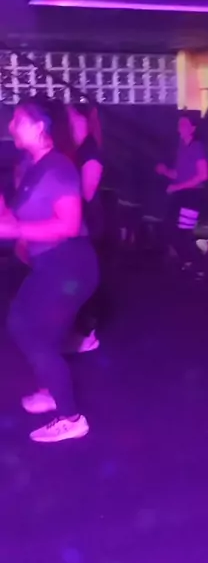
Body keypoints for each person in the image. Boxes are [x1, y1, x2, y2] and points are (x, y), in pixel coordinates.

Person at [0, 100, 98, 443]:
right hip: (53, 264)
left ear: (39, 127)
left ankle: (71, 418)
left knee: (27, 328)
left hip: (69, 264)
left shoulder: (58, 167)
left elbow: (69, 225)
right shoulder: (34, 167)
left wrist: (15, 230)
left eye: (18, 120)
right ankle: (51, 390)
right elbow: (13, 221)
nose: (11, 126)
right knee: (40, 330)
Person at [67, 102, 104, 352]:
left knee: (84, 278)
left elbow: (87, 193)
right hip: (81, 223)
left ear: (82, 121)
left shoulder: (90, 150)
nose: (70, 123)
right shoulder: (78, 149)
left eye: (73, 118)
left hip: (89, 223)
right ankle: (80, 330)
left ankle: (86, 334)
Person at [156, 114, 208, 273]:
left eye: (184, 124)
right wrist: (165, 171)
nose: (180, 126)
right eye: (179, 123)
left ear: (193, 128)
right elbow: (179, 175)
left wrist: (177, 187)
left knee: (183, 233)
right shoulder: (182, 147)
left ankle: (197, 265)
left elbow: (203, 175)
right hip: (182, 195)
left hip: (192, 195)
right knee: (170, 229)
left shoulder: (197, 146)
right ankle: (190, 262)